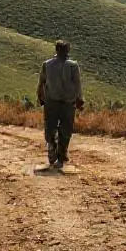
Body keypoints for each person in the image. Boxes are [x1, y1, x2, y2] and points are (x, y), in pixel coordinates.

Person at [37, 40, 84, 170]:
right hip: (67, 102)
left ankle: (55, 150)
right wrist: (80, 98)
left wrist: (40, 96)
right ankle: (60, 154)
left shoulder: (47, 64)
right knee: (65, 129)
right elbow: (77, 84)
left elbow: (41, 82)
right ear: (67, 51)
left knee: (51, 127)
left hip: (53, 100)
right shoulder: (72, 65)